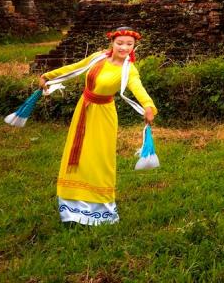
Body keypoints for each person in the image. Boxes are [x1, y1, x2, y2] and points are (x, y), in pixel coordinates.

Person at [36, 26, 156, 225]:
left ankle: (100, 210)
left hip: (103, 115)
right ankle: (71, 207)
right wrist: (49, 76)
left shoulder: (128, 70)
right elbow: (75, 67)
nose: (124, 47)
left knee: (99, 158)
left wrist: (149, 106)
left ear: (134, 47)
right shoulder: (98, 57)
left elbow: (138, 88)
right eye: (120, 43)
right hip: (83, 109)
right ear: (112, 43)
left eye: (129, 44)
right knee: (78, 153)